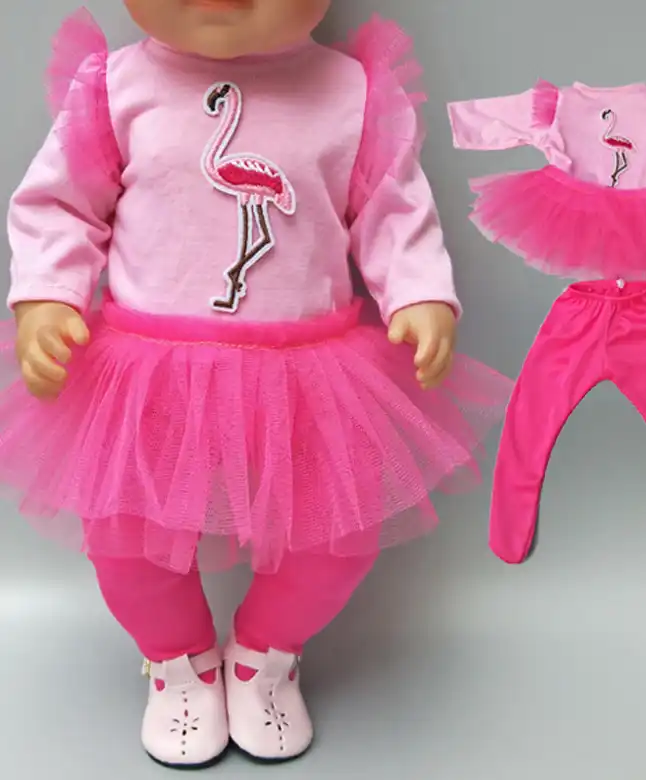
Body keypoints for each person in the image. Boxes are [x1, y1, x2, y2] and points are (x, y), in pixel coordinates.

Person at [0, 0, 512, 768]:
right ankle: (177, 663)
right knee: (128, 540)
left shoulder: (350, 93)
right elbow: (60, 205)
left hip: (310, 375)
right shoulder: (113, 88)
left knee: (336, 539)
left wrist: (418, 293)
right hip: (149, 377)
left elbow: (394, 209)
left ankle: (265, 654)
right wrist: (47, 295)